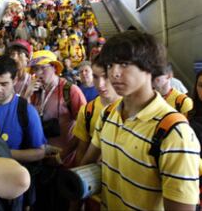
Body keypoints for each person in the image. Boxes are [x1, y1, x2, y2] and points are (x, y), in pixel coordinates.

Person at [81, 31, 200, 210]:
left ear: (150, 67)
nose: (114, 73)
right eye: (110, 64)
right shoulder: (108, 115)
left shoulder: (174, 133)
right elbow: (87, 165)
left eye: (124, 64)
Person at [0, 55, 46, 210]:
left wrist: (3, 153)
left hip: (14, 186)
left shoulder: (26, 111)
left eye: (4, 84)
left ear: (14, 81)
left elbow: (40, 153)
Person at [30, 50, 86, 168]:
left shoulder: (71, 90)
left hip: (65, 159)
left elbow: (84, 129)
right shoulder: (35, 91)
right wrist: (26, 94)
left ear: (54, 67)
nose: (38, 73)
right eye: (35, 69)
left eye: (43, 68)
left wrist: (62, 156)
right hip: (41, 156)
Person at [73, 56, 121, 165]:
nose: (100, 84)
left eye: (106, 77)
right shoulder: (87, 110)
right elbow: (81, 150)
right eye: (95, 77)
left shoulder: (129, 109)